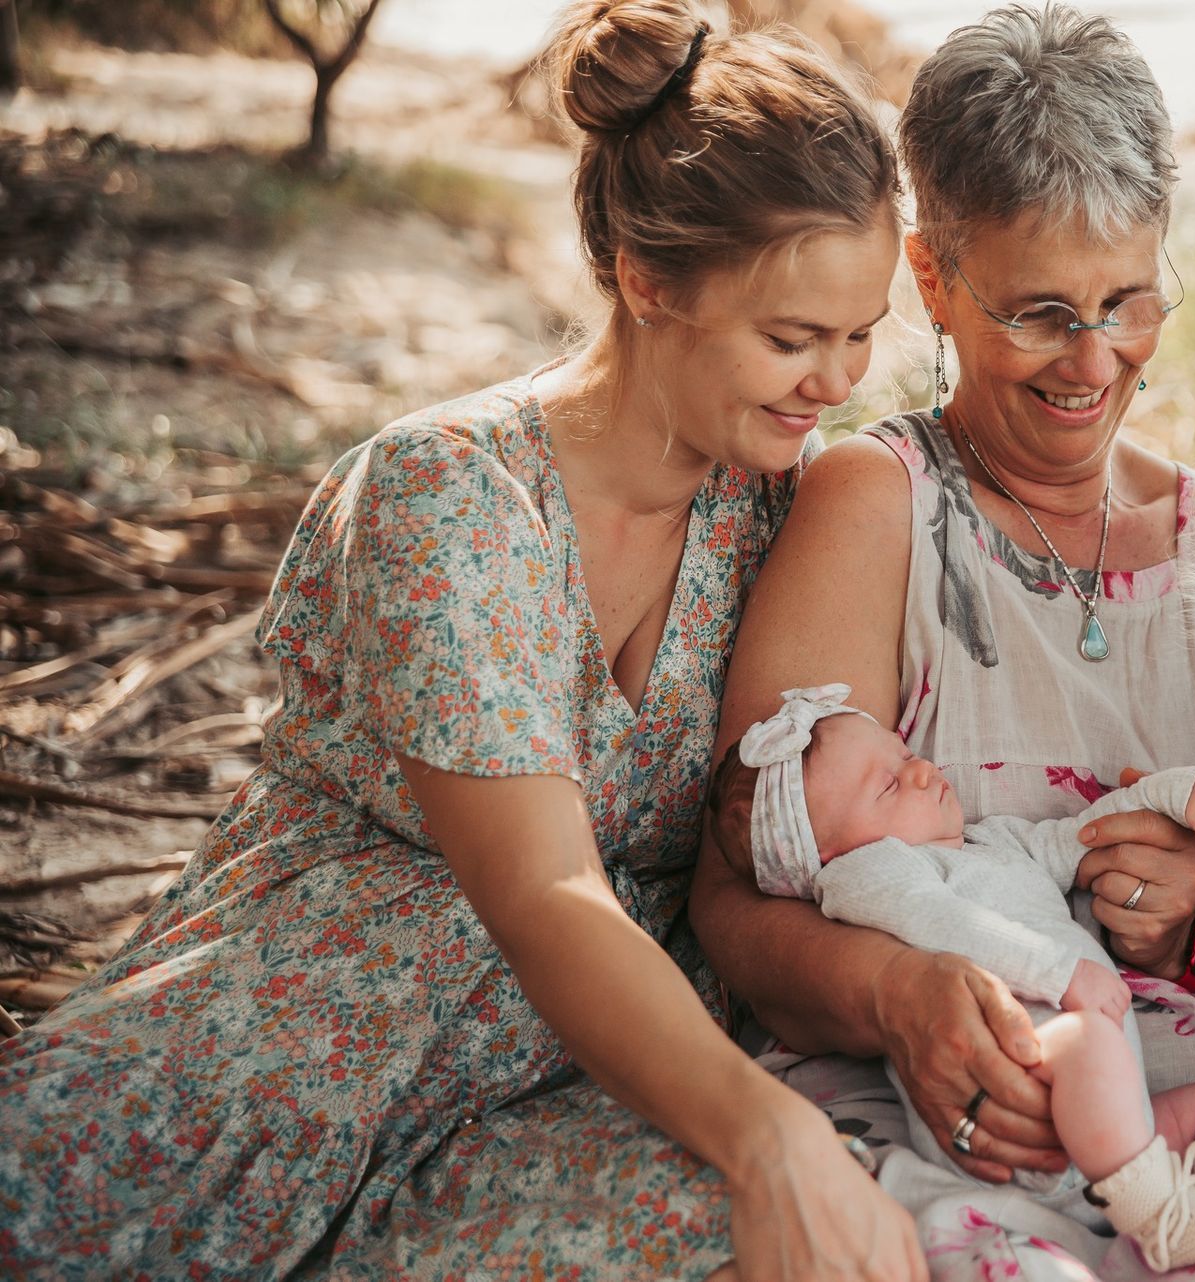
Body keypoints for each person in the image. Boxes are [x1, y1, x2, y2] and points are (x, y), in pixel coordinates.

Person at [0, 4, 921, 1278]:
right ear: (648, 282)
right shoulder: (447, 495)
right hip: (298, 1038)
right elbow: (541, 892)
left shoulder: (785, 506)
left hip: (601, 1073)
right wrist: (768, 1137)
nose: (838, 382)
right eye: (792, 338)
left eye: (862, 332)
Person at [691, 6, 1195, 1279]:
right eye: (1040, 312)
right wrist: (897, 998)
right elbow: (735, 900)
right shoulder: (879, 504)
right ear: (933, 279)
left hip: (1186, 1132)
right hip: (926, 1132)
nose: (1094, 361)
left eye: (1129, 299)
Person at [715, 684, 1195, 1271]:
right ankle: (1161, 1218)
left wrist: (1180, 795)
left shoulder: (989, 844)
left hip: (1108, 1127)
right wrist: (1064, 974)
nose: (920, 772)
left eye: (905, 754)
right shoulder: (871, 877)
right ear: (825, 855)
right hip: (1019, 1099)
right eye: (889, 785)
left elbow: (1081, 835)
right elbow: (951, 927)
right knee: (1088, 1039)